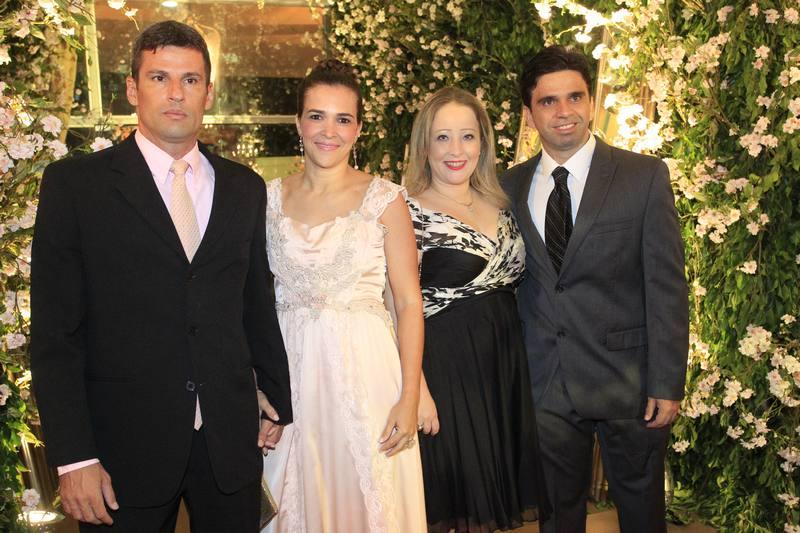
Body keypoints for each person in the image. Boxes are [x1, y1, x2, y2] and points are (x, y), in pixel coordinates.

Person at [30, 20, 292, 532]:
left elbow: (253, 303)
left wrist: (273, 396)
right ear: (133, 88)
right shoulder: (76, 186)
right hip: (121, 450)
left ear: (208, 93)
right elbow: (56, 334)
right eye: (159, 77)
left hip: (228, 443)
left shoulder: (244, 187)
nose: (176, 93)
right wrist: (74, 456)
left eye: (190, 80)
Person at [501, 45, 689, 533]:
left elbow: (666, 286)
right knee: (556, 517)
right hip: (546, 381)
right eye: (548, 101)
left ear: (591, 102)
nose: (564, 111)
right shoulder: (507, 188)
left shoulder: (643, 176)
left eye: (574, 97)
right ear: (529, 114)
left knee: (641, 513)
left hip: (629, 380)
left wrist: (667, 382)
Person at [261, 59, 427, 533]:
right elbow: (253, 303)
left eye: (342, 119)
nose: (328, 131)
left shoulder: (386, 200)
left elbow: (408, 303)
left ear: (358, 128)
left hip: (368, 377)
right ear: (298, 123)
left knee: (371, 498)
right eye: (317, 116)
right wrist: (257, 388)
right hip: (290, 376)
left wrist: (410, 395)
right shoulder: (266, 199)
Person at [404, 87, 551, 533]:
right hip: (444, 370)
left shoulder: (502, 203)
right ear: (424, 145)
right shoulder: (404, 210)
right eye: (442, 137)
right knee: (454, 508)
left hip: (502, 369)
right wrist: (416, 391)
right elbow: (395, 307)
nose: (456, 150)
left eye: (467, 136)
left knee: (488, 511)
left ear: (483, 143)